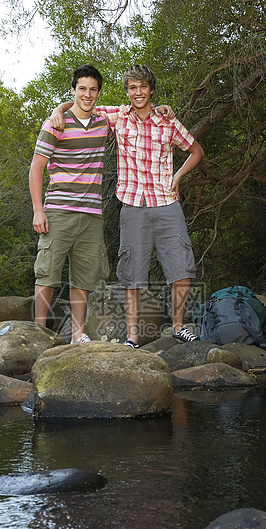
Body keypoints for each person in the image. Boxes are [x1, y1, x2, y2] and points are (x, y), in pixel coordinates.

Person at [51, 64, 204, 347]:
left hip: (166, 202)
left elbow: (196, 150)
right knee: (133, 274)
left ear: (151, 90)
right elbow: (84, 103)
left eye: (143, 87)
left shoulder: (166, 121)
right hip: (132, 205)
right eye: (132, 88)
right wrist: (58, 110)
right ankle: (133, 338)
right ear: (127, 91)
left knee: (181, 267)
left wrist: (178, 177)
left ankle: (179, 328)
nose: (138, 93)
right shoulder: (118, 117)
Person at [29, 64, 110, 343]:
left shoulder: (104, 122)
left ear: (98, 93)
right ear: (73, 90)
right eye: (82, 89)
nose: (87, 95)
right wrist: (38, 210)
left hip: (91, 215)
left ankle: (78, 335)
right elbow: (36, 168)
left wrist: (164, 109)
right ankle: (39, 332)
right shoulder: (55, 124)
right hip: (58, 211)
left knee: (83, 279)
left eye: (93, 89)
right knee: (48, 273)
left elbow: (137, 107)